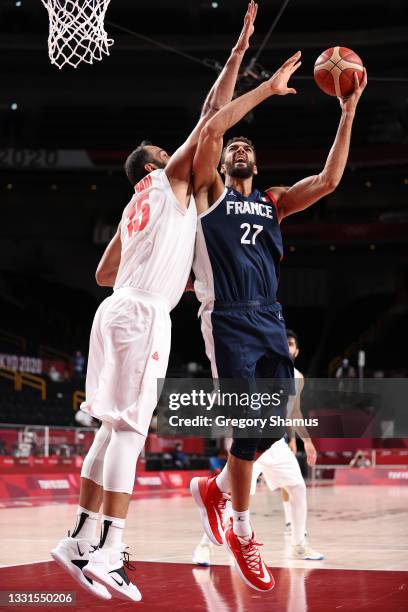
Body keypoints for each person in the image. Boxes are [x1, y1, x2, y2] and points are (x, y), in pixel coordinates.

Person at [50, 2, 258, 602]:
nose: (183, 156)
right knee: (129, 436)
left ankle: (78, 539)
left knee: (106, 432)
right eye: (171, 154)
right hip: (143, 316)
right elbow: (212, 116)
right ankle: (111, 551)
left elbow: (103, 269)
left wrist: (166, 271)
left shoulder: (133, 205)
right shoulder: (171, 179)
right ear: (156, 164)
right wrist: (250, 66)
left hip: (115, 306)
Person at [189, 54, 367, 592]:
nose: (239, 149)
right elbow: (210, 126)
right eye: (233, 148)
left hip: (270, 319)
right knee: (248, 427)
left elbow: (331, 179)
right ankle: (241, 529)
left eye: (249, 149)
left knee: (267, 433)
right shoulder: (207, 195)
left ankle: (216, 489)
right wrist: (253, 76)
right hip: (228, 319)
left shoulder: (274, 202)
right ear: (222, 163)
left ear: (257, 166)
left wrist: (348, 109)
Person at [251, 329, 323, 560]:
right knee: (230, 494)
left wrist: (307, 442)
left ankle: (299, 544)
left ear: (296, 350)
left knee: (298, 487)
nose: (287, 346)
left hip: (275, 442)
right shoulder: (263, 365)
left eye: (291, 343)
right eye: (284, 342)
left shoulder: (298, 377)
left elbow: (294, 412)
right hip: (250, 440)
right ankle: (205, 543)